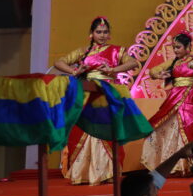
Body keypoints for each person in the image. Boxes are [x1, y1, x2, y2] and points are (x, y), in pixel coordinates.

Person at [54, 17, 140, 185]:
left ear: (109, 35)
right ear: (91, 34)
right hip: (88, 93)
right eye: (98, 32)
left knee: (107, 131)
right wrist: (75, 71)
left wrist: (113, 70)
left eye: (105, 32)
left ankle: (108, 172)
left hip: (107, 94)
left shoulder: (116, 51)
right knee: (83, 132)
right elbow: (58, 62)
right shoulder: (83, 51)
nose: (102, 35)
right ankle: (83, 172)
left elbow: (132, 63)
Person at [140, 33, 193, 175]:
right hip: (174, 99)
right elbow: (153, 71)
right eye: (174, 47)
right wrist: (158, 75)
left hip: (192, 99)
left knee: (191, 130)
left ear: (188, 47)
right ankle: (173, 165)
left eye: (178, 47)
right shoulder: (173, 62)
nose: (175, 50)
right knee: (164, 129)